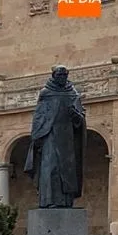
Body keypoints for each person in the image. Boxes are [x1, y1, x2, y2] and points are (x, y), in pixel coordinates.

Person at [24, 65, 87, 208]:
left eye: (65, 75)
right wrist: (38, 136)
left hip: (67, 137)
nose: (62, 78)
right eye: (59, 75)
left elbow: (80, 118)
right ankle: (48, 201)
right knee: (50, 168)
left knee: (67, 170)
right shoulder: (46, 93)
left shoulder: (72, 93)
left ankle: (65, 201)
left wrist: (75, 115)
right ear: (53, 76)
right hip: (50, 135)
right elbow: (39, 116)